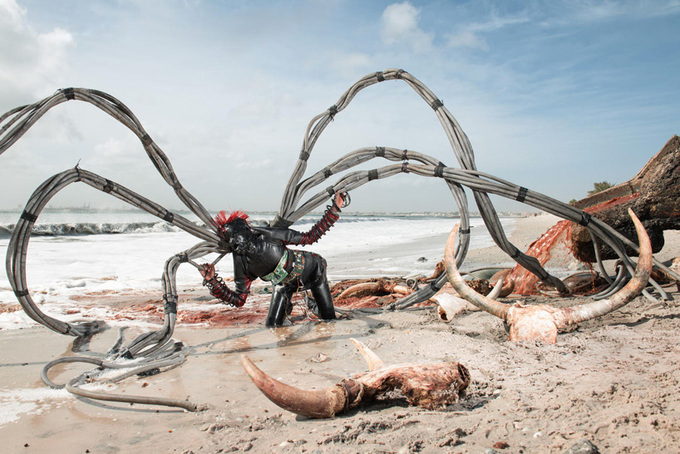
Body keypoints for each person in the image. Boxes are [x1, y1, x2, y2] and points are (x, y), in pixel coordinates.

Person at [199, 192, 347, 327]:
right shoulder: (240, 260)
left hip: (315, 270)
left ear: (248, 230)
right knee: (272, 326)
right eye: (231, 240)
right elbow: (239, 299)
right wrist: (213, 281)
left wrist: (335, 208)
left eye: (238, 235)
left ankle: (310, 303)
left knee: (328, 320)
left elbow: (310, 237)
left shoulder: (270, 234)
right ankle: (294, 305)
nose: (236, 242)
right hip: (284, 285)